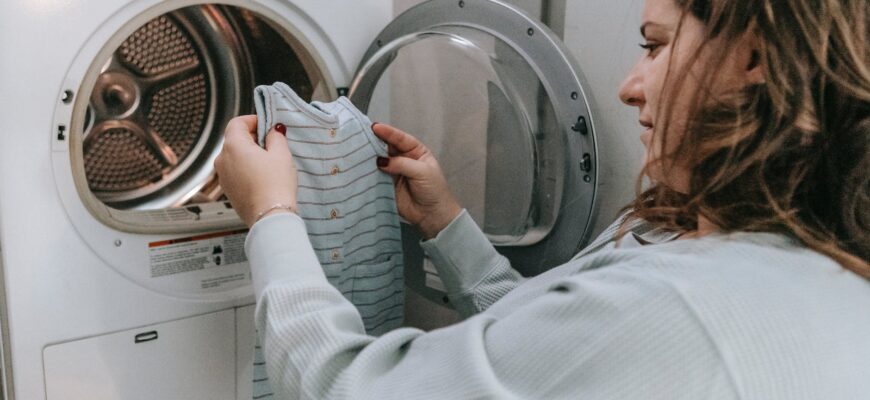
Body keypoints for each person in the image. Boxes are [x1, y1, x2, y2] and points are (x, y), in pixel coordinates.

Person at [214, 0, 870, 398]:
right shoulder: (800, 264)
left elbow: (348, 390)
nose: (628, 87)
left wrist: (274, 216)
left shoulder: (682, 307)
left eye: (656, 44)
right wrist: (445, 222)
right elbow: (553, 351)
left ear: (752, 53)